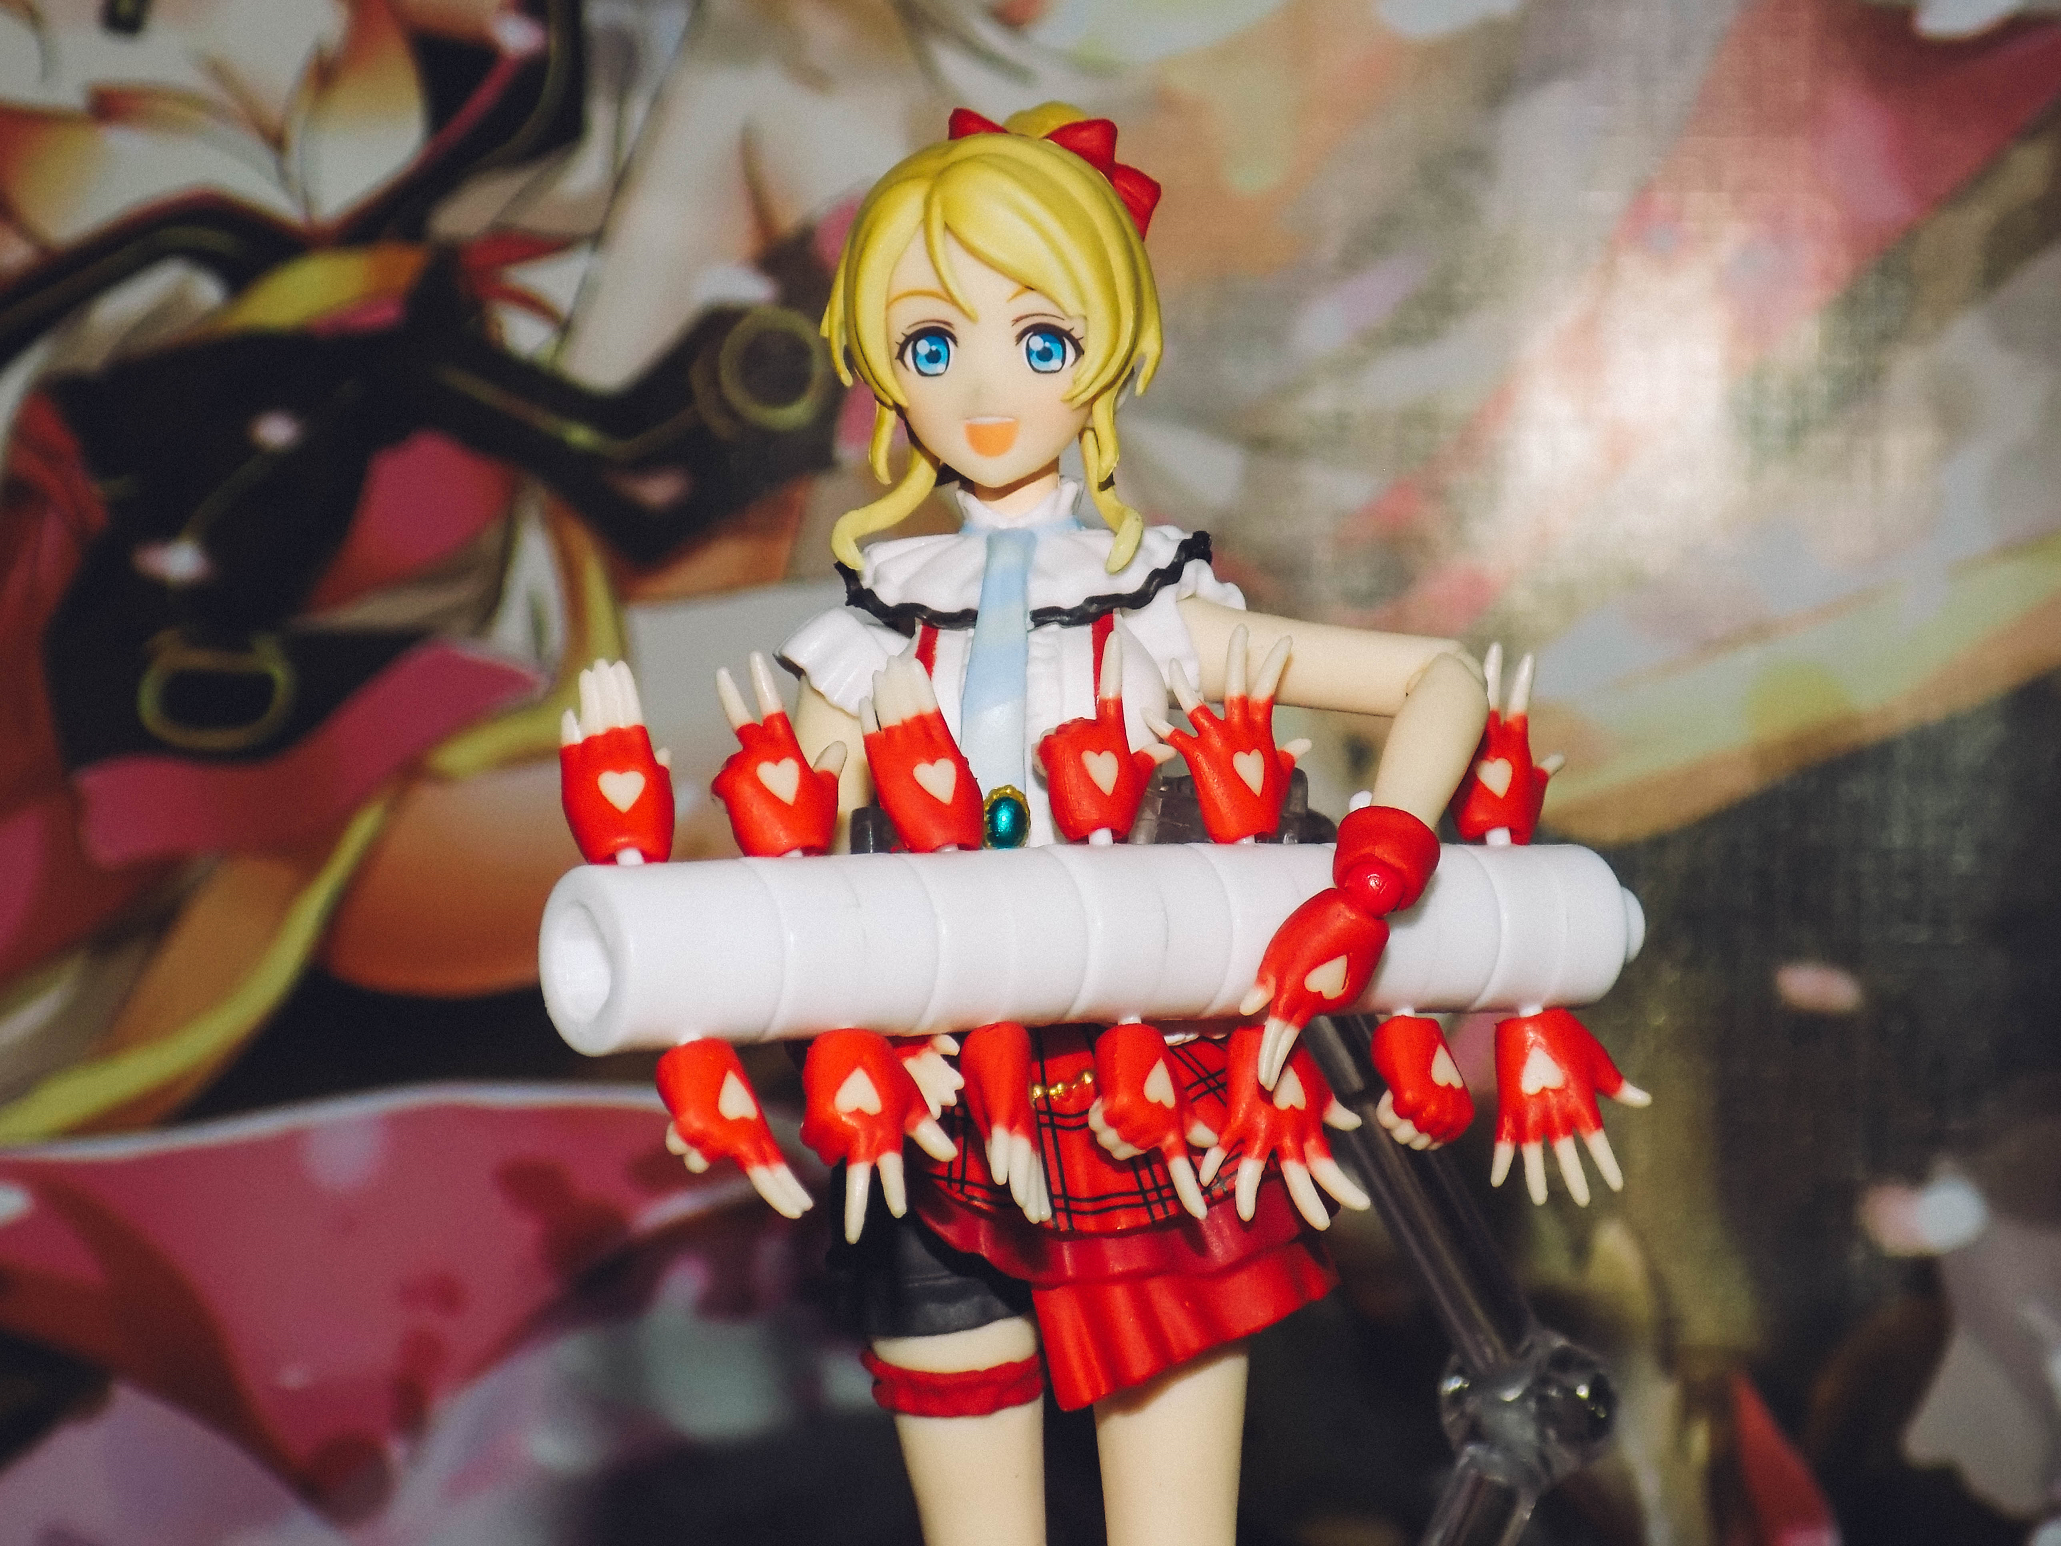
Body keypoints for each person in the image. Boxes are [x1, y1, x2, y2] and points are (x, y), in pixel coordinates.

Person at [561, 103, 1492, 1546]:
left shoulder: (1161, 612)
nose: (987, 388)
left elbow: (1441, 682)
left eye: (1039, 339)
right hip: (927, 1118)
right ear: (881, 373)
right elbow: (784, 873)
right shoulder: (872, 634)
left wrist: (1365, 882)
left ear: (1107, 350)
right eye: (934, 346)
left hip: (1140, 1110)